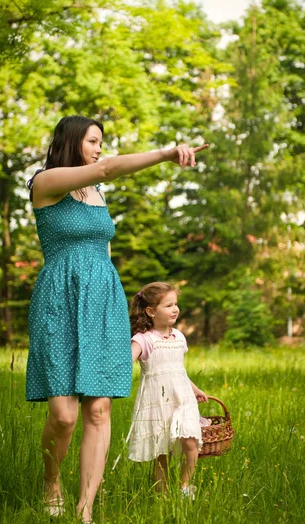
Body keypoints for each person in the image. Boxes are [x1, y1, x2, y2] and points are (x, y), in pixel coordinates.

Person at [25, 115, 208, 522]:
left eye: (102, 142)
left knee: (98, 409)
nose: (99, 148)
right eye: (93, 140)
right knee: (64, 415)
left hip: (102, 300)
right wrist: (166, 153)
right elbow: (108, 167)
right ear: (72, 142)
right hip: (59, 299)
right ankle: (51, 480)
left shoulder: (98, 194)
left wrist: (113, 303)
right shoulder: (46, 182)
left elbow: (102, 247)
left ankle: (85, 509)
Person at [127, 282, 208, 499]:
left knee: (190, 440)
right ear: (151, 311)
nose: (175, 309)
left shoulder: (179, 337)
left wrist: (195, 388)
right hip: (157, 400)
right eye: (169, 305)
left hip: (183, 398)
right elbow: (127, 362)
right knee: (162, 452)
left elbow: (177, 370)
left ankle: (185, 487)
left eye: (176, 304)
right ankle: (161, 496)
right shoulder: (144, 339)